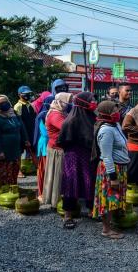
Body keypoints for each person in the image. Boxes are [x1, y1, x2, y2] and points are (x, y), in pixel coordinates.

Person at [57, 92, 98, 229]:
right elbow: (63, 141)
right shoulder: (71, 120)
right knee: (71, 183)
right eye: (91, 100)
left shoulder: (93, 117)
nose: (94, 103)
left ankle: (92, 210)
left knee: (90, 182)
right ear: (83, 102)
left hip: (89, 156)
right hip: (73, 157)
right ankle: (68, 215)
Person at [92, 101, 129, 239]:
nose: (117, 113)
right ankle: (106, 230)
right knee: (107, 199)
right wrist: (113, 177)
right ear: (105, 113)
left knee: (115, 197)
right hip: (111, 169)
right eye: (114, 111)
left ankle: (111, 224)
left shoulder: (115, 125)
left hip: (120, 167)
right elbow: (106, 156)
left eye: (117, 110)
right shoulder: (106, 130)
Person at [0, 95, 29, 187]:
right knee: (4, 173)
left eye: (5, 101)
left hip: (16, 149)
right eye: (1, 103)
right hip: (4, 151)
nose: (4, 104)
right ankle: (5, 192)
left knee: (14, 171)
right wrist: (0, 151)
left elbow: (21, 127)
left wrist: (26, 139)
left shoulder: (14, 114)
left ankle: (13, 189)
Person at [43, 92, 73, 207]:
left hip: (58, 147)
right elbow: (66, 127)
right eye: (67, 102)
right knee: (57, 175)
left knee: (57, 174)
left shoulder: (60, 112)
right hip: (57, 149)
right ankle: (56, 200)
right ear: (60, 102)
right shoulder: (56, 114)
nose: (69, 105)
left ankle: (55, 198)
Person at [33, 96, 54, 201]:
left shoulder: (50, 114)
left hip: (49, 145)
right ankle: (41, 193)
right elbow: (45, 133)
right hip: (45, 145)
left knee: (50, 170)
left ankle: (49, 193)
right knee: (43, 170)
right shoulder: (42, 115)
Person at [14, 85, 36, 177]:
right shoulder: (17, 106)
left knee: (32, 151)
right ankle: (18, 171)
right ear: (19, 95)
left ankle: (34, 168)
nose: (27, 95)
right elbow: (17, 122)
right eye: (25, 94)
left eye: (28, 94)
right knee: (19, 153)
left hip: (31, 132)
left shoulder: (31, 105)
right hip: (21, 133)